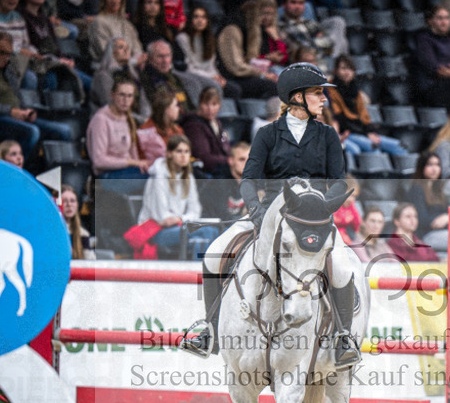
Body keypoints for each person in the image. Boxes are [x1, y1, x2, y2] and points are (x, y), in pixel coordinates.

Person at [181, 63, 360, 370]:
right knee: (214, 254)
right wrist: (258, 211)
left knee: (341, 267)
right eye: (318, 93)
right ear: (298, 98)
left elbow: (339, 182)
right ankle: (209, 329)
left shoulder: (328, 135)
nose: (324, 99)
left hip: (312, 218)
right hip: (270, 214)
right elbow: (248, 179)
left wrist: (324, 207)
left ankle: (343, 337)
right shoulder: (267, 135)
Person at [0, 32, 73, 161]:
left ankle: (47, 176)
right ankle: (19, 173)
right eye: (2, 53)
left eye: (9, 54)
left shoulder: (8, 69)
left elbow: (17, 97)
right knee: (32, 132)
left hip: (15, 116)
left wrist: (27, 112)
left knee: (64, 131)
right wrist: (10, 111)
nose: (6, 58)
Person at [138, 134, 218, 260]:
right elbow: (161, 216)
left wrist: (180, 218)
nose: (183, 156)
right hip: (156, 231)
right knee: (206, 232)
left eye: (186, 152)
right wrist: (181, 220)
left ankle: (200, 273)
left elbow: (196, 210)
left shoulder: (188, 178)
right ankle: (199, 274)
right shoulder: (158, 175)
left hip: (178, 226)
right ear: (169, 154)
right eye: (179, 151)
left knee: (213, 232)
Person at [328, 55, 407, 158]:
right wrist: (366, 134)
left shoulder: (356, 92)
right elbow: (340, 119)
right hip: (347, 133)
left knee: (398, 146)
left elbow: (364, 116)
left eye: (350, 69)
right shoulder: (330, 90)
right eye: (343, 68)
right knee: (373, 147)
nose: (347, 72)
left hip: (361, 131)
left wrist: (370, 132)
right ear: (335, 70)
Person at [87, 77, 151, 191]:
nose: (126, 100)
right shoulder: (101, 120)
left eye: (130, 96)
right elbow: (99, 161)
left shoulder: (127, 119)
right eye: (122, 95)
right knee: (154, 178)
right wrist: (131, 163)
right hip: (107, 176)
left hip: (127, 172)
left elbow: (133, 155)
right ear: (112, 95)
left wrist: (139, 164)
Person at [217, 0, 280, 99]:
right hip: (231, 77)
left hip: (244, 76)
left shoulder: (249, 32)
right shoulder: (232, 30)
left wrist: (255, 34)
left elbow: (251, 59)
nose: (262, 19)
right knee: (271, 86)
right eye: (260, 15)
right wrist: (263, 75)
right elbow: (236, 67)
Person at [178, 6, 240, 100]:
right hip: (194, 78)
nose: (200, 20)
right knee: (215, 87)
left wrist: (219, 78)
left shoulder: (209, 39)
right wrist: (211, 77)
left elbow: (211, 66)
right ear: (190, 19)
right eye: (196, 17)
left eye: (203, 17)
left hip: (210, 77)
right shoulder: (182, 38)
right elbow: (189, 68)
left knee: (235, 89)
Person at [141, 39, 216, 115]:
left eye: (168, 55)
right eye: (160, 56)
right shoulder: (147, 79)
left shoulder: (172, 77)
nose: (165, 60)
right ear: (150, 59)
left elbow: (188, 104)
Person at [90, 37, 151, 120]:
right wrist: (137, 120)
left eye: (127, 48)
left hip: (135, 119)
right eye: (121, 47)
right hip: (111, 121)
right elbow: (110, 105)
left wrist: (145, 118)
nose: (126, 51)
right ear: (112, 52)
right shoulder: (103, 75)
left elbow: (143, 98)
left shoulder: (133, 73)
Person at [278, 0, 347, 60]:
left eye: (301, 3)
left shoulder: (309, 22)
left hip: (322, 60)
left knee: (339, 27)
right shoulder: (281, 26)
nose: (297, 7)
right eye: (293, 2)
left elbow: (330, 43)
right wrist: (319, 41)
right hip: (306, 65)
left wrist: (313, 42)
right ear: (284, 4)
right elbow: (303, 49)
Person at [88, 0, 144, 68]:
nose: (114, 0)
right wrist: (134, 61)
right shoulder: (98, 22)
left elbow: (138, 50)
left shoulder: (127, 24)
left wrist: (137, 59)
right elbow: (105, 52)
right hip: (106, 68)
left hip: (130, 67)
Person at [180, 86, 232, 178]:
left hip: (222, 166)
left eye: (214, 104)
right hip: (208, 171)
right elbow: (204, 157)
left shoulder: (217, 123)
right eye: (206, 104)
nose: (210, 109)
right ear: (200, 104)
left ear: (219, 105)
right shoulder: (193, 125)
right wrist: (229, 160)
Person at [404, 151, 450, 251]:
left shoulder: (439, 191)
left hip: (443, 232)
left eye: (437, 165)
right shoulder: (416, 190)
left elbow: (448, 213)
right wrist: (442, 219)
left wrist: (447, 217)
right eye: (430, 165)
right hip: (426, 235)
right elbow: (421, 219)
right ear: (422, 167)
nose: (434, 169)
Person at [197, 140, 249, 221]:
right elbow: (223, 217)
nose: (246, 164)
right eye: (242, 159)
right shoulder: (219, 183)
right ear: (231, 160)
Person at [138, 88, 183, 163]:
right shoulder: (145, 132)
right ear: (166, 109)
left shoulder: (177, 130)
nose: (179, 109)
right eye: (176, 105)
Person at [61, 184, 96, 259]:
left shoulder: (83, 234)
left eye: (72, 201)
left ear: (77, 205)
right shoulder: (51, 232)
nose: (69, 204)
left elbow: (90, 263)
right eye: (64, 201)